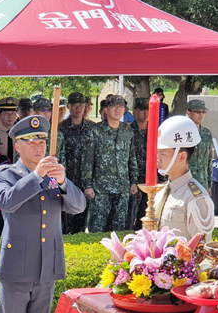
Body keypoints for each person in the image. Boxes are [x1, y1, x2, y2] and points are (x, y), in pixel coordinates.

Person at [0, 115, 86, 313]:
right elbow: (6, 202)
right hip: (17, 266)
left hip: (47, 265)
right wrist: (36, 177)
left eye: (42, 141)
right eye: (31, 141)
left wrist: (62, 181)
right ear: (17, 145)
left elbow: (78, 205)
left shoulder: (55, 175)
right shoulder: (5, 174)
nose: (38, 146)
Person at [141, 115, 214, 313]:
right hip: (160, 285)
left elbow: (202, 252)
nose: (157, 157)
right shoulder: (164, 192)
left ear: (182, 154)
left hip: (183, 288)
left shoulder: (196, 198)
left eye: (163, 151)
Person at [82, 95, 138, 233]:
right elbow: (88, 160)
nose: (118, 110)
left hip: (122, 188)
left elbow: (132, 157)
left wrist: (134, 181)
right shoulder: (95, 131)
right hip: (101, 189)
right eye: (114, 107)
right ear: (106, 110)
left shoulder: (127, 131)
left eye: (121, 107)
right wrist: (88, 185)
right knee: (97, 230)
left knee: (118, 231)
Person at [56, 92, 91, 234]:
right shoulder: (61, 128)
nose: (78, 108)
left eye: (81, 105)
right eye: (74, 105)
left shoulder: (92, 128)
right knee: (66, 219)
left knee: (83, 220)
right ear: (69, 106)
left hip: (86, 180)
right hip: (67, 179)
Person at [128, 98, 150, 230]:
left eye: (148, 110)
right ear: (135, 111)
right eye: (142, 109)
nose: (145, 113)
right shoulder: (128, 131)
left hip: (150, 180)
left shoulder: (156, 131)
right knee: (131, 216)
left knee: (147, 216)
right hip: (134, 181)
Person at [185, 100, 214, 193]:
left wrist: (209, 184)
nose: (201, 115)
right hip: (187, 182)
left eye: (203, 112)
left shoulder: (206, 134)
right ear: (188, 112)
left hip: (203, 182)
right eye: (197, 112)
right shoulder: (183, 132)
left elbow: (208, 159)